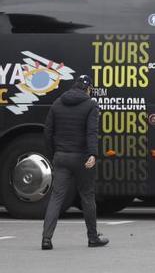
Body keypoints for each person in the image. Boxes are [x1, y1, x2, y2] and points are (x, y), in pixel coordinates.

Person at [41, 74, 109, 250]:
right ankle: (93, 238)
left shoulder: (57, 104)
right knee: (87, 195)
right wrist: (93, 154)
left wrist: (52, 154)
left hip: (61, 157)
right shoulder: (90, 105)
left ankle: (46, 239)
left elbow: (48, 132)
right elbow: (91, 133)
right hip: (82, 158)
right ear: (88, 89)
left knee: (56, 198)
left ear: (74, 86)